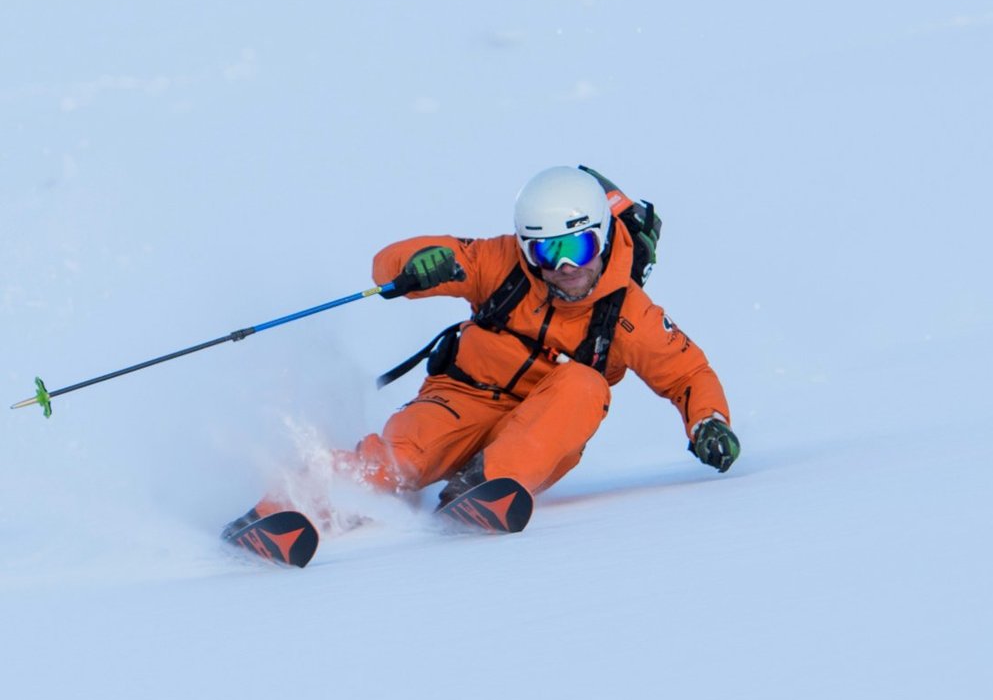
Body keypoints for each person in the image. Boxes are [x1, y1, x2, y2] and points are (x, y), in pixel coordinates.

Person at [229, 165, 738, 534]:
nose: (564, 268)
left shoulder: (630, 312)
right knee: (398, 461)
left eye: (577, 248)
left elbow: (688, 374)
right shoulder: (500, 263)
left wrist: (708, 422)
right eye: (545, 252)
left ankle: (485, 485)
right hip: (459, 398)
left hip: (540, 432)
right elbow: (387, 265)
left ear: (601, 239)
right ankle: (287, 507)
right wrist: (422, 266)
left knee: (585, 383)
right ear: (525, 248)